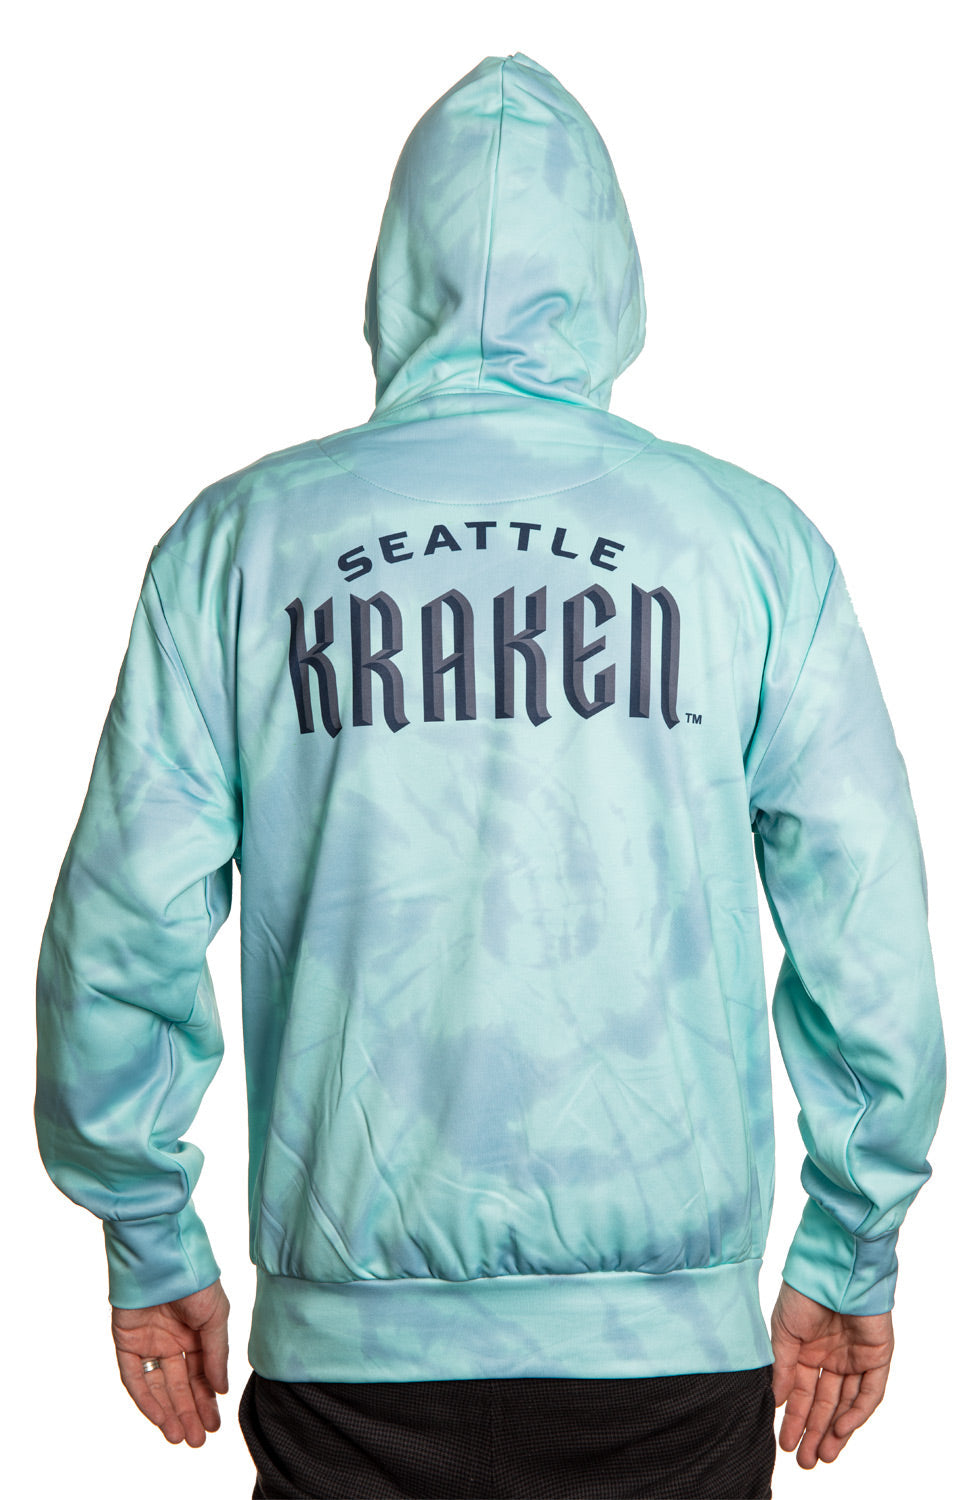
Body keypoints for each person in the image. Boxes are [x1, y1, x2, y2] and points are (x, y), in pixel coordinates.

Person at [35, 51, 945, 1500]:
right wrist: (850, 1245)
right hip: (665, 1359)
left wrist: (150, 1238)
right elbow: (866, 925)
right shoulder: (746, 545)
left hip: (351, 1363)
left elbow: (121, 928)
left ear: (396, 274)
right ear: (614, 274)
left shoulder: (239, 543)